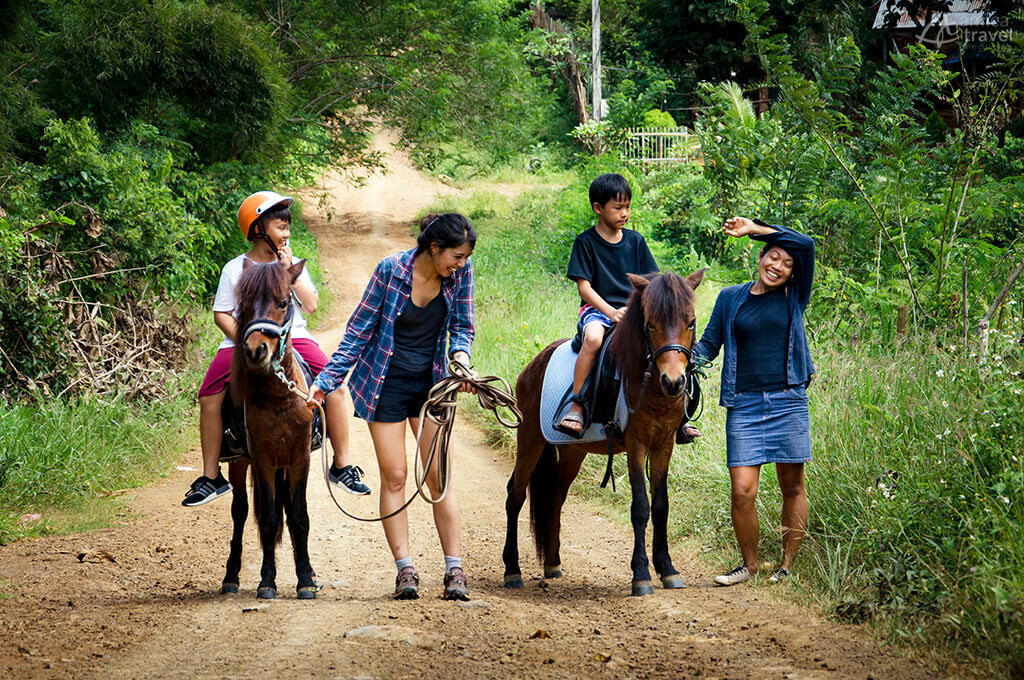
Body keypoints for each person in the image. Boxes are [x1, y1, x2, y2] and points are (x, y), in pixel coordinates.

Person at [307, 213, 477, 601]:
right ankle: (405, 570)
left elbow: (462, 327)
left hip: (433, 385)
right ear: (434, 247)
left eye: (465, 258)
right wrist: (324, 383)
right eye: (456, 256)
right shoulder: (390, 270)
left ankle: (454, 569)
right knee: (396, 476)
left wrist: (461, 360)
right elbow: (357, 332)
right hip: (386, 384)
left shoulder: (460, 275)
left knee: (438, 477)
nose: (461, 264)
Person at [182, 191, 370, 507]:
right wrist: (245, 340)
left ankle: (342, 465)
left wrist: (289, 272)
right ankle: (211, 476)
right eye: (281, 227)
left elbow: (310, 305)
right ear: (258, 228)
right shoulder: (235, 268)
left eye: (288, 228)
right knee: (208, 395)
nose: (287, 234)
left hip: (293, 336)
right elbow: (221, 314)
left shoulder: (292, 265)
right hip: (243, 340)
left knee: (335, 385)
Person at [694, 216, 816, 586]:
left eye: (786, 263)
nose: (777, 266)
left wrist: (754, 229)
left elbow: (806, 245)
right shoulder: (730, 298)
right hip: (744, 404)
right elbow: (708, 345)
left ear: (793, 272)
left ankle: (785, 566)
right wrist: (676, 359)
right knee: (742, 492)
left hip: (788, 401)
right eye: (773, 257)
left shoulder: (795, 295)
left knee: (792, 486)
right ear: (759, 259)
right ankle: (749, 566)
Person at [556, 173, 658, 436]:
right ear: (598, 208)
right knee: (592, 339)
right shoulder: (585, 242)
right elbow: (584, 288)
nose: (625, 213)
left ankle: (678, 412)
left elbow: (651, 280)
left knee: (666, 340)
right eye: (618, 207)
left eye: (628, 207)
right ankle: (577, 403)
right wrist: (611, 312)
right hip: (598, 311)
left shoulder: (636, 241)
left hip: (633, 311)